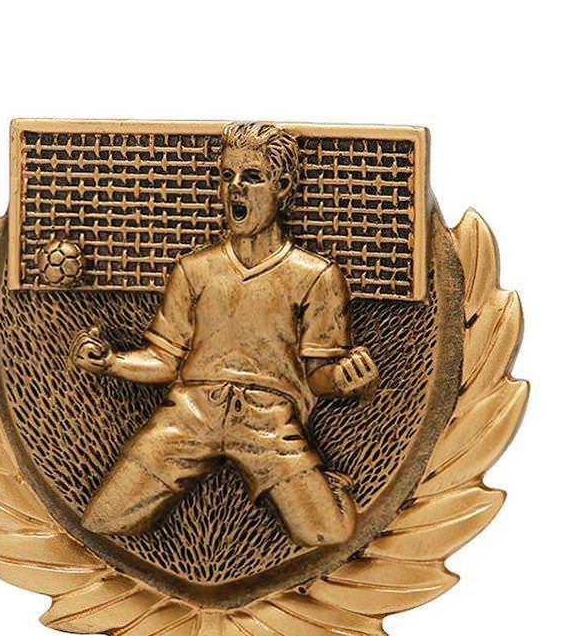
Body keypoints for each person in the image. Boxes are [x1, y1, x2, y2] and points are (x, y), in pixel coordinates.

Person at [71, 121, 378, 548]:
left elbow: (317, 376)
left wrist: (346, 381)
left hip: (268, 420)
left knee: (329, 535)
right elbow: (164, 361)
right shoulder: (194, 270)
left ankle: (327, 488)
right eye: (227, 175)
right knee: (103, 520)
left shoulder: (316, 276)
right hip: (189, 415)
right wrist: (111, 362)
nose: (236, 188)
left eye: (252, 176)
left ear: (282, 186)